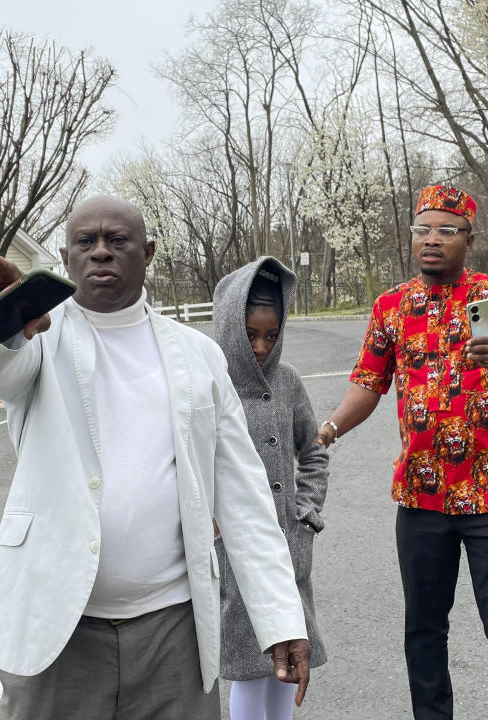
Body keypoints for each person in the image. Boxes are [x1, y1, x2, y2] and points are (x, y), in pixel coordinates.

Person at [0, 195, 311, 720]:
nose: (101, 252)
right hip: (58, 628)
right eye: (85, 242)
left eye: (117, 241)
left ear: (147, 253)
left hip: (175, 631)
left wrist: (281, 617)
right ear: (65, 254)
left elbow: (243, 492)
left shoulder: (198, 354)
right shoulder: (37, 338)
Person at [316, 184, 488, 720]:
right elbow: (368, 384)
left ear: (469, 239)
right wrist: (326, 428)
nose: (432, 239)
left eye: (447, 230)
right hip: (421, 498)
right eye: (422, 228)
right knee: (423, 629)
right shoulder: (391, 308)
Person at [211, 257, 329, 720]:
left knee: (289, 659)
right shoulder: (210, 382)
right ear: (229, 327)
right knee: (247, 664)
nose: (261, 346)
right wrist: (211, 525)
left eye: (272, 336)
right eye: (250, 335)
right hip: (231, 551)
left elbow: (314, 450)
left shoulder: (288, 381)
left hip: (287, 544)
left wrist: (307, 510)